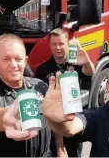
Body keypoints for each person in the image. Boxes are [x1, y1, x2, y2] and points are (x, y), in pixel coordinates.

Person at [0, 34, 51, 157]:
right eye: (6, 59)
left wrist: (61, 150)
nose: (14, 65)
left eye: (18, 59)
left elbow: (53, 120)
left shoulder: (40, 85)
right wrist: (6, 116)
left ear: (25, 61)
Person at [35, 28, 95, 157]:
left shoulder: (76, 63)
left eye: (61, 43)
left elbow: (90, 72)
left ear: (67, 44)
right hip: (53, 122)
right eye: (54, 44)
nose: (57, 47)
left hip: (73, 118)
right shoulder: (42, 69)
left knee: (75, 153)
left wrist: (86, 59)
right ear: (49, 45)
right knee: (56, 153)